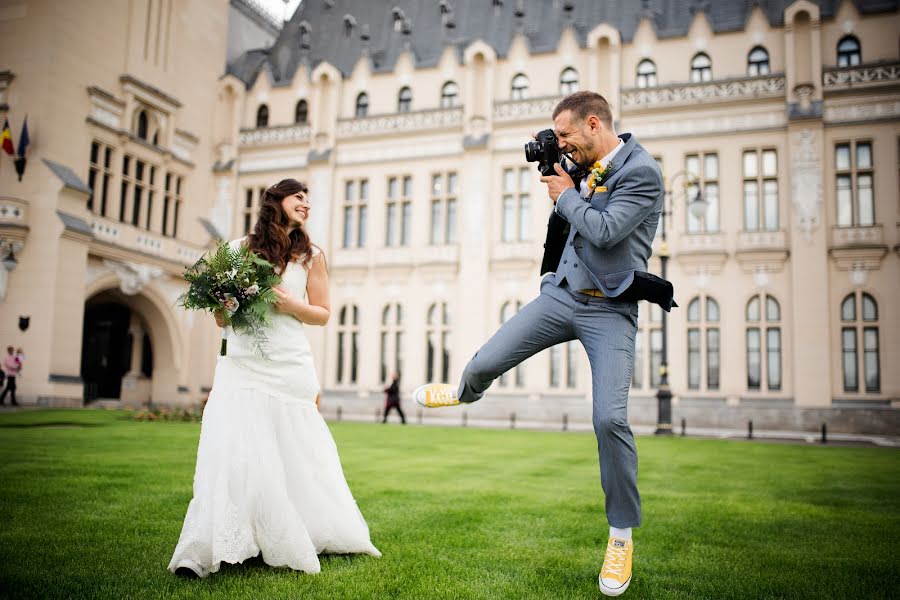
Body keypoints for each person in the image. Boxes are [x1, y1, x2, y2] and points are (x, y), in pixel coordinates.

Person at [414, 91, 664, 597]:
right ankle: (463, 393)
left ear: (594, 124)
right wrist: (550, 275)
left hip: (611, 309)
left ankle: (620, 537)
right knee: (485, 360)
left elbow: (607, 231)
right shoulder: (579, 165)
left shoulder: (642, 173)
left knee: (610, 419)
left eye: (569, 135)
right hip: (562, 297)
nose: (563, 144)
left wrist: (567, 193)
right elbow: (565, 227)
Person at [169, 178, 380, 578]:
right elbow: (220, 318)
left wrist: (287, 303)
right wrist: (225, 301)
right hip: (241, 362)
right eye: (298, 196)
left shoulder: (310, 256)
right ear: (276, 202)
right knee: (232, 450)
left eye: (308, 199)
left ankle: (294, 533)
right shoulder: (236, 250)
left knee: (295, 453)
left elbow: (322, 313)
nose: (306, 204)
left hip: (288, 362)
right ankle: (204, 550)